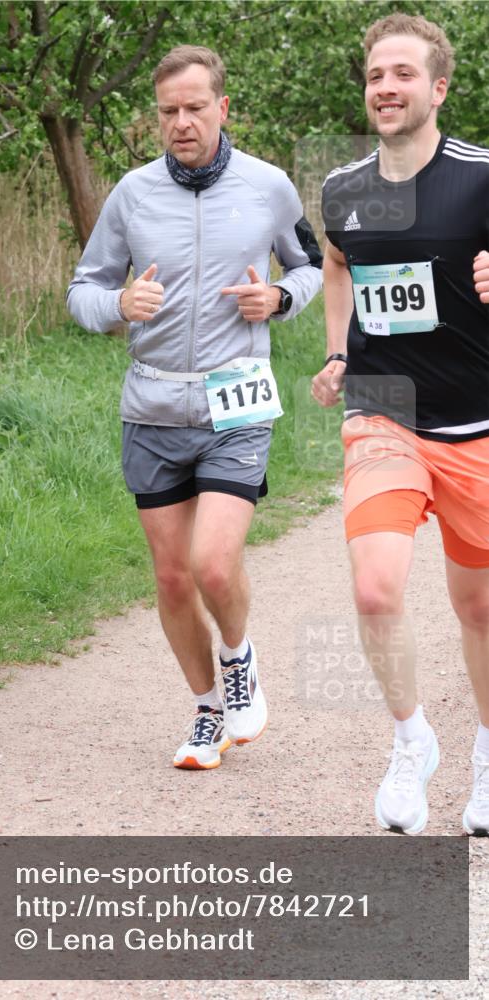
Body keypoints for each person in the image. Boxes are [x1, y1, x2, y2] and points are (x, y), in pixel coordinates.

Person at [67, 45, 322, 769]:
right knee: (172, 576)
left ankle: (238, 658)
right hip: (150, 405)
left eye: (193, 107)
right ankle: (207, 709)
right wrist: (117, 303)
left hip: (235, 399)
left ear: (222, 107)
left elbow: (308, 266)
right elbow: (81, 291)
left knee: (213, 565)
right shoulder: (132, 193)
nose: (181, 122)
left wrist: (275, 298)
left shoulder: (269, 187)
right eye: (167, 111)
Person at [312, 14, 489, 834]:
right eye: (375, 74)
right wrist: (340, 352)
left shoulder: (481, 177)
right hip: (383, 409)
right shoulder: (343, 190)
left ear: (437, 88)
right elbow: (339, 266)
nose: (385, 87)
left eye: (402, 74)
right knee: (376, 584)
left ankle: (486, 752)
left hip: (475, 419)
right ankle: (411, 741)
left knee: (478, 609)